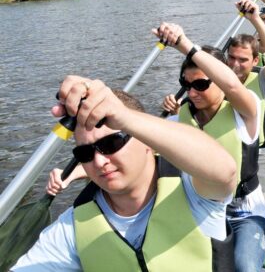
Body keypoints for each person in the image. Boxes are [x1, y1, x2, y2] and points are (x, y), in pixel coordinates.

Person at [12, 77, 238, 271]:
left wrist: (124, 117)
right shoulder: (73, 225)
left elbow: (224, 171)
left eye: (111, 143)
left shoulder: (193, 192)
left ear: (147, 141)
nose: (99, 161)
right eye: (85, 152)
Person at [164, 0, 265, 235]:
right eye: (230, 57)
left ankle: (263, 239)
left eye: (243, 60)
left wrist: (254, 18)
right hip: (224, 154)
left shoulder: (264, 82)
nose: (235, 64)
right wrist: (178, 110)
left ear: (255, 60)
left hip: (263, 153)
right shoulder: (209, 83)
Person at [155, 19, 265, 272]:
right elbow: (140, 149)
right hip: (197, 210)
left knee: (245, 267)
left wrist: (183, 43)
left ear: (218, 79)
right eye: (186, 85)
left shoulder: (246, 111)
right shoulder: (179, 118)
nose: (192, 93)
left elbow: (231, 84)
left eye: (200, 85)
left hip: (244, 212)